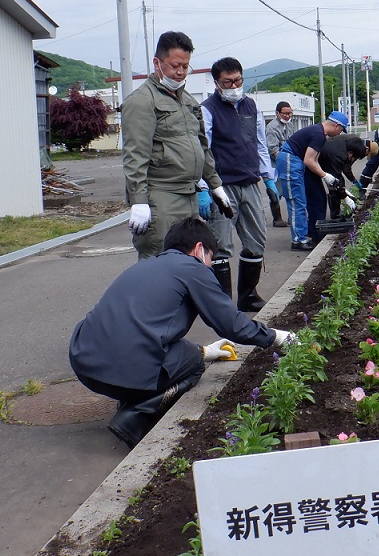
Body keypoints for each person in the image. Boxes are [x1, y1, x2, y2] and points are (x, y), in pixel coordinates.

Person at [68, 218, 293, 448]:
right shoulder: (193, 269)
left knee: (186, 351)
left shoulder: (147, 265)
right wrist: (277, 337)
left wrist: (206, 350)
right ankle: (135, 416)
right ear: (198, 249)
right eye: (210, 258)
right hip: (123, 371)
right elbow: (233, 326)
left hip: (84, 362)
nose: (210, 266)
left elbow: (146, 328)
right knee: (194, 364)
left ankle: (132, 395)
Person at [120, 30, 234, 259]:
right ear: (157, 63)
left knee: (188, 261)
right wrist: (139, 202)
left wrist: (215, 185)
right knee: (159, 262)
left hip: (189, 196)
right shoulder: (142, 102)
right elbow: (135, 156)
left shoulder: (188, 101)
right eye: (174, 65)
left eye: (185, 66)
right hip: (161, 197)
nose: (180, 72)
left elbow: (202, 147)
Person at [200, 56, 278, 312]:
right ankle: (222, 306)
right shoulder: (207, 109)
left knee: (257, 240)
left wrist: (268, 177)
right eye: (228, 82)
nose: (234, 86)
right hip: (222, 186)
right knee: (221, 245)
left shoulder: (251, 106)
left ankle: (248, 295)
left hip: (250, 182)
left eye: (238, 80)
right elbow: (204, 149)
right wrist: (203, 186)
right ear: (216, 83)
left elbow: (260, 144)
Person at [276, 111, 348, 251]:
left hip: (293, 161)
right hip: (290, 161)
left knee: (300, 201)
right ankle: (298, 241)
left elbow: (314, 160)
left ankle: (301, 237)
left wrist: (324, 175)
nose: (340, 133)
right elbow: (309, 160)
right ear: (336, 126)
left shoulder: (318, 132)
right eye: (341, 130)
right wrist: (324, 175)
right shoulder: (318, 135)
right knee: (297, 202)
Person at [309, 134, 370, 229]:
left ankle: (314, 229)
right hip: (308, 167)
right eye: (353, 158)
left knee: (321, 197)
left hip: (317, 164)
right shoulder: (338, 155)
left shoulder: (344, 146)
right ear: (350, 153)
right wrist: (346, 197)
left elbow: (339, 177)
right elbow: (335, 180)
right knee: (318, 199)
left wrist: (345, 191)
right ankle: (314, 231)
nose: (352, 160)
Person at [264, 101, 296, 227]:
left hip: (287, 161)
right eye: (285, 113)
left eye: (289, 113)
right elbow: (273, 150)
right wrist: (285, 160)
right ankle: (277, 218)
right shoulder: (271, 128)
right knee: (276, 192)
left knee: (290, 191)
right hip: (274, 164)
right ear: (277, 113)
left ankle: (291, 217)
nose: (287, 116)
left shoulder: (290, 125)